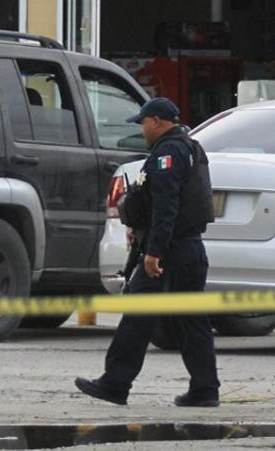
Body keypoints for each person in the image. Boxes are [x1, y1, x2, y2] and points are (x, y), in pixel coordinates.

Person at [75, 97, 219, 407]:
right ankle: (205, 389)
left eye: (143, 122)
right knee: (192, 321)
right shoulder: (191, 148)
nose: (141, 129)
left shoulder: (168, 153)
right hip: (190, 248)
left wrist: (154, 252)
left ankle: (115, 384)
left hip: (169, 251)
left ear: (156, 121)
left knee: (138, 317)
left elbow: (168, 207)